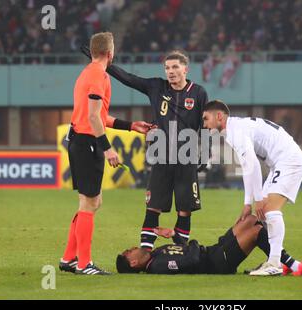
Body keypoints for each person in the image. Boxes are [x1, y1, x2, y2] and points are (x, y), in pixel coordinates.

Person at [81, 47, 209, 252]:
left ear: (186, 69)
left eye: (175, 67)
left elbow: (206, 125)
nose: (171, 71)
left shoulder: (199, 93)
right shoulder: (156, 87)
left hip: (187, 157)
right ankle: (144, 252)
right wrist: (101, 61)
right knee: (153, 206)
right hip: (161, 156)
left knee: (185, 209)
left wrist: (206, 151)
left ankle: (182, 252)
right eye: (167, 67)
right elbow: (128, 78)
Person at [59, 32, 153, 276]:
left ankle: (70, 258)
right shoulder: (98, 76)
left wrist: (131, 125)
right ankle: (84, 264)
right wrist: (107, 148)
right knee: (89, 203)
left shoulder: (89, 73)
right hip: (87, 143)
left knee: (92, 202)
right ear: (111, 54)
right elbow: (92, 117)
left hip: (81, 141)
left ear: (93, 52)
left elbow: (99, 116)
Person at [202, 100, 302, 276]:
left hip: (289, 161)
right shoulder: (235, 129)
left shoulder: (236, 131)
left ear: (219, 116)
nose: (204, 125)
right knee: (263, 216)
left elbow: (253, 166)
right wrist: (247, 203)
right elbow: (247, 168)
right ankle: (283, 263)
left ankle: (274, 264)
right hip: (280, 163)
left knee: (270, 210)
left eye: (206, 119)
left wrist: (258, 199)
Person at [116, 214, 302, 276]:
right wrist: (194, 243)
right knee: (256, 231)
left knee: (251, 219)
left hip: (215, 251)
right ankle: (295, 266)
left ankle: (280, 263)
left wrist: (173, 236)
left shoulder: (155, 255)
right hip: (218, 263)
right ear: (134, 263)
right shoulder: (158, 267)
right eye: (129, 252)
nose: (133, 247)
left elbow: (183, 251)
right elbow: (191, 259)